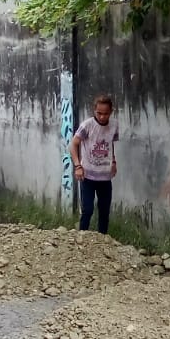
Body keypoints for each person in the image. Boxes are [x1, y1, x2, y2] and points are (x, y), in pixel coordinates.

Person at [70, 94, 119, 234]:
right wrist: (77, 166)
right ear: (94, 110)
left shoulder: (114, 125)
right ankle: (81, 239)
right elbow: (73, 145)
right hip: (88, 176)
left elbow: (110, 144)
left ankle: (102, 242)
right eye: (99, 113)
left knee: (104, 211)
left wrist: (113, 161)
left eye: (106, 114)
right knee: (88, 210)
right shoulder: (87, 125)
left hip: (105, 176)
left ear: (111, 111)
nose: (102, 117)